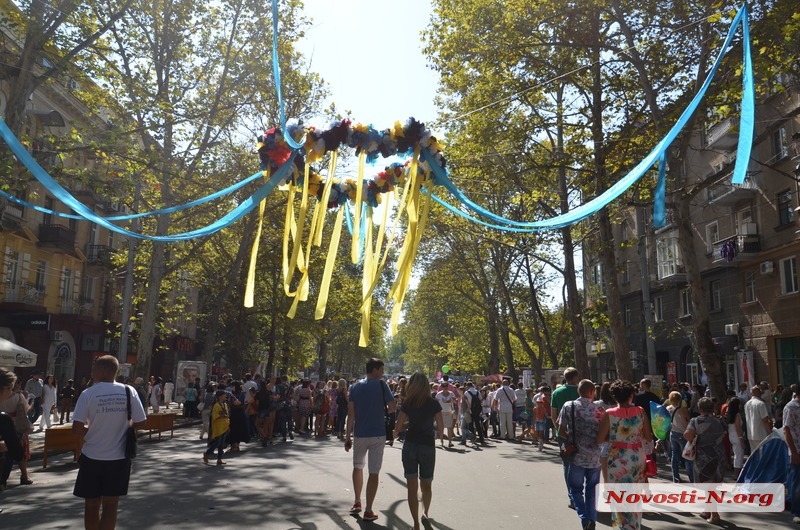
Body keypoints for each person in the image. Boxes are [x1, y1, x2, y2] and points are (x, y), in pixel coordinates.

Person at [72, 355, 147, 530]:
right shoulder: (129, 391)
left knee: (91, 504)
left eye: (94, 368)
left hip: (92, 456)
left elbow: (76, 428)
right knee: (111, 504)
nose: (92, 372)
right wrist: (124, 428)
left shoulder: (88, 393)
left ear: (104, 370)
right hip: (119, 457)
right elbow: (142, 421)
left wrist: (93, 433)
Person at [596, 380, 653, 530]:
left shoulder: (609, 414)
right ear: (631, 395)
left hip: (617, 458)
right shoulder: (640, 411)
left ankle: (622, 526)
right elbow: (648, 437)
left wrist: (615, 438)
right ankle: (634, 526)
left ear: (614, 397)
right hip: (636, 457)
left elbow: (599, 439)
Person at [345, 357, 396, 522]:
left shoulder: (354, 387)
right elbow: (392, 406)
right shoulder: (382, 385)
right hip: (378, 434)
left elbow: (351, 414)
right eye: (381, 370)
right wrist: (384, 415)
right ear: (375, 370)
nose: (382, 373)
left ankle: (357, 501)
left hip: (360, 433)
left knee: (357, 466)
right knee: (374, 472)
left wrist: (347, 436)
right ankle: (368, 510)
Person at [393, 373, 444, 530]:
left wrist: (398, 432)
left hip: (410, 445)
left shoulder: (408, 403)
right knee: (426, 484)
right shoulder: (434, 403)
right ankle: (425, 513)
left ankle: (415, 524)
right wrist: (436, 432)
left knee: (412, 486)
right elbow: (441, 428)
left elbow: (398, 426)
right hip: (427, 445)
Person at [559, 379, 604, 530]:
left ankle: (585, 519)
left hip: (576, 456)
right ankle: (591, 518)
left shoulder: (569, 406)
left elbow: (560, 430)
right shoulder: (600, 410)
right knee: (592, 491)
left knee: (576, 490)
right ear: (592, 392)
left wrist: (571, 439)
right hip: (595, 458)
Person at [684, 397, 727, 525]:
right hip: (719, 454)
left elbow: (688, 435)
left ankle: (714, 514)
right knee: (713, 484)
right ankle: (708, 510)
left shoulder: (695, 421)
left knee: (709, 485)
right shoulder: (720, 420)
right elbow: (725, 433)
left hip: (704, 456)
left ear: (700, 408)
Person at [552, 367, 580, 509]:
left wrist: (558, 431)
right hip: (581, 434)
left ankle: (572, 497)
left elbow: (553, 415)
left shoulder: (556, 392)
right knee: (583, 465)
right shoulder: (580, 391)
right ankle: (582, 495)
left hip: (563, 435)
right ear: (575, 377)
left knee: (567, 465)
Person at [0, 377, 30, 491]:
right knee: (11, 454)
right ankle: (3, 480)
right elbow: (25, 409)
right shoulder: (19, 396)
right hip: (14, 424)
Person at [665, 391, 694, 483]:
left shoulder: (667, 408)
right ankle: (691, 478)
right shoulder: (682, 410)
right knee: (687, 457)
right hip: (682, 433)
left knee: (675, 455)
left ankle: (675, 477)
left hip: (672, 433)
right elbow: (686, 423)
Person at [782, 384, 800, 524]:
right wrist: (793, 452)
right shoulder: (791, 407)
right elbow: (786, 430)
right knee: (797, 481)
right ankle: (797, 511)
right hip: (797, 450)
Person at [203, 390, 231, 466]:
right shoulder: (216, 405)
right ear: (220, 396)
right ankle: (207, 453)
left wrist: (228, 425)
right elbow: (215, 416)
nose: (225, 396)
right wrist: (222, 416)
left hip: (224, 426)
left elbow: (227, 415)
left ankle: (219, 459)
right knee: (218, 442)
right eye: (224, 395)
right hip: (218, 427)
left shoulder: (225, 405)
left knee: (221, 444)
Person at [744, 386, 773, 451]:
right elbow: (765, 420)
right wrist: (770, 432)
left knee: (754, 455)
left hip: (750, 434)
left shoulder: (747, 404)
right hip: (761, 434)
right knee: (763, 455)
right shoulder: (760, 404)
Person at [725, 397, 745, 476]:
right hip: (737, 436)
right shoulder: (737, 415)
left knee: (736, 454)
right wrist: (741, 440)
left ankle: (736, 472)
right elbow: (738, 428)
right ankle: (737, 474)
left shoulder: (729, 414)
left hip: (731, 435)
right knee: (739, 456)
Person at [434, 382, 456, 447]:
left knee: (450, 428)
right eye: (444, 386)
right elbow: (435, 403)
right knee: (441, 428)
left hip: (449, 413)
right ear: (442, 387)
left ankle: (450, 442)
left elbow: (455, 401)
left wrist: (451, 400)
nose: (445, 387)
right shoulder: (439, 394)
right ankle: (441, 442)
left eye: (446, 386)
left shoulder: (451, 393)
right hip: (441, 413)